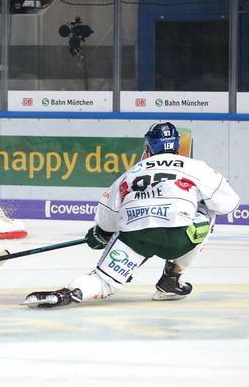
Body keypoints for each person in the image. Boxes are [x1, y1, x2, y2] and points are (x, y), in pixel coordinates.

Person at [24, 122, 240, 308]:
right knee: (210, 207)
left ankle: (65, 294)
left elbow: (106, 220)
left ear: (148, 147)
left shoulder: (132, 172)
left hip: (135, 237)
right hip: (180, 237)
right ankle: (172, 277)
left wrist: (100, 235)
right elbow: (228, 203)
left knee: (103, 280)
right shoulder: (196, 167)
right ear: (176, 145)